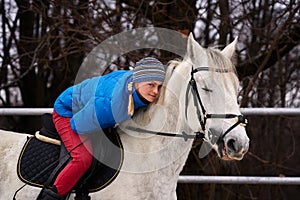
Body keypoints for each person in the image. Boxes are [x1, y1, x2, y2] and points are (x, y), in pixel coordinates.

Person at [37, 57, 166, 200]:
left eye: (159, 86)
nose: (155, 92)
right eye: (151, 85)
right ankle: (52, 196)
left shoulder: (133, 85)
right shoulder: (111, 105)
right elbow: (77, 125)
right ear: (136, 81)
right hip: (68, 112)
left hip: (93, 113)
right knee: (83, 158)